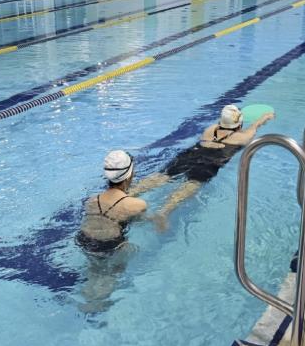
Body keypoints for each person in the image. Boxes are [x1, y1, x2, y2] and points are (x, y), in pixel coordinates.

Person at [129, 104, 275, 229]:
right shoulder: (242, 137)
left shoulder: (211, 129)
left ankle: (131, 192)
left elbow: (225, 126)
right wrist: (264, 118)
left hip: (191, 154)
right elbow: (254, 127)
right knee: (192, 183)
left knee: (164, 175)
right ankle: (163, 212)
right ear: (240, 124)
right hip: (211, 161)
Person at [77, 150, 147, 253]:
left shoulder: (91, 201)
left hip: (84, 240)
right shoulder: (138, 204)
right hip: (110, 244)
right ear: (129, 175)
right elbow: (141, 221)